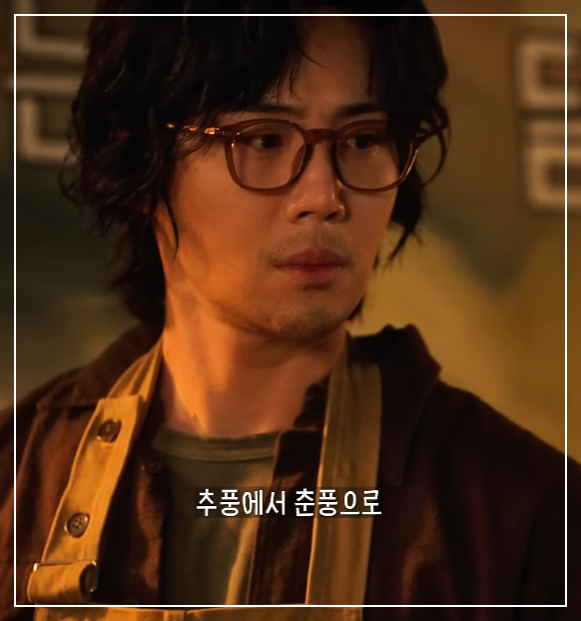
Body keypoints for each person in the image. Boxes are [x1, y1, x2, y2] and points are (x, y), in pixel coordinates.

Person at [2, 1, 578, 619]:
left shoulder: (524, 514)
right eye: (264, 139)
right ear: (139, 155)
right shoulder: (22, 478)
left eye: (363, 139)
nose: (324, 196)